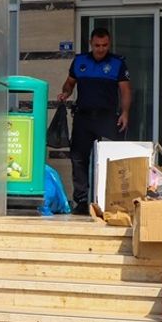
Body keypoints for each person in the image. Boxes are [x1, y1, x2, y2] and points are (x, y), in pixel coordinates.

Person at [56, 28, 132, 215]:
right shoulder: (80, 61)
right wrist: (65, 92)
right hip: (83, 118)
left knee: (111, 159)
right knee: (78, 159)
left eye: (105, 45)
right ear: (91, 43)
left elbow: (125, 90)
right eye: (97, 45)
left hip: (108, 118)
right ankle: (81, 201)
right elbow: (70, 83)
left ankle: (110, 200)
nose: (101, 49)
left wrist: (125, 113)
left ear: (109, 43)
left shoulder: (117, 63)